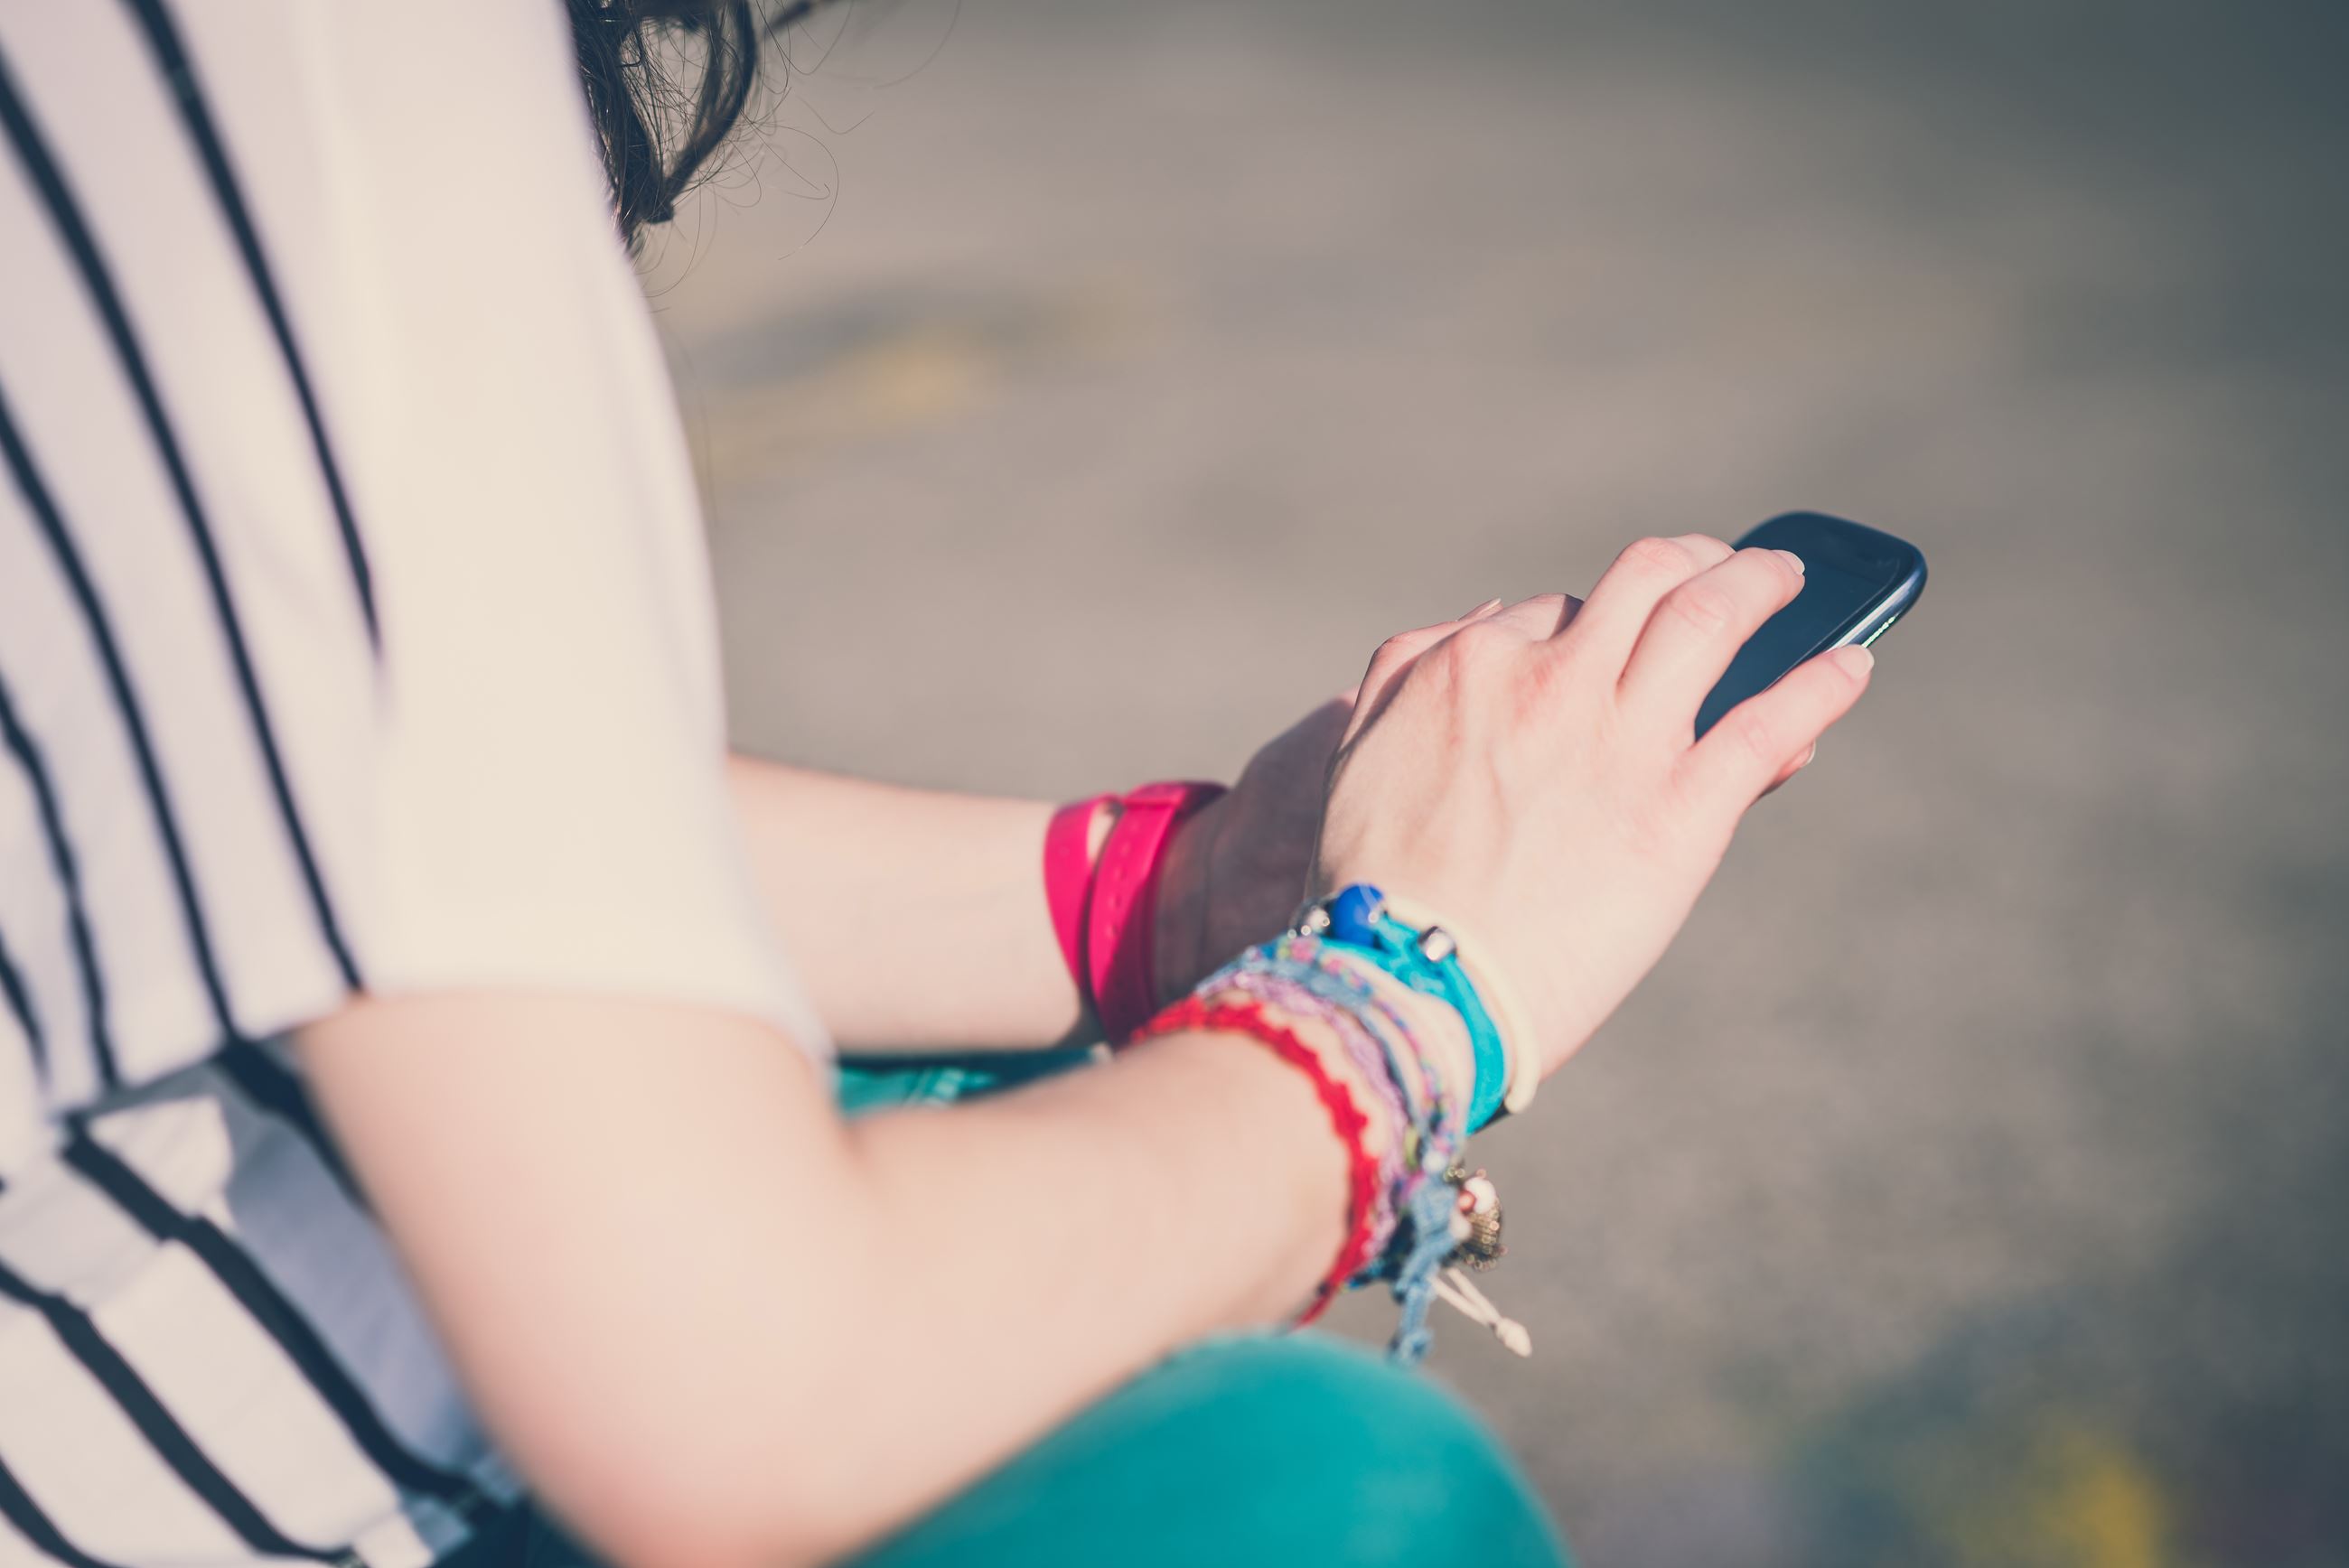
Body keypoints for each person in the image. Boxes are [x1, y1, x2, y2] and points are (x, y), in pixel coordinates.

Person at [0, 5, 1872, 1567]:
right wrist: (1407, 994)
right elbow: (733, 1386)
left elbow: (362, 796)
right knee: (1330, 1505)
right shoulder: (322, 69)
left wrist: (1189, 894)